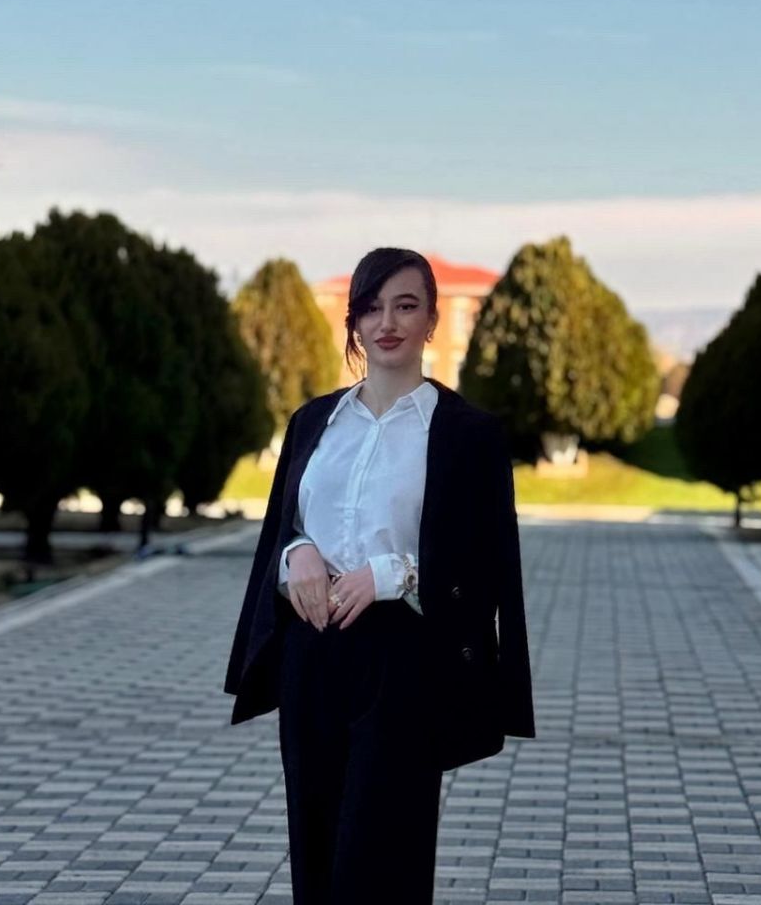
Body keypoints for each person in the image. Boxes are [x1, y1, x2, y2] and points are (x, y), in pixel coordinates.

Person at [224, 247, 534, 905]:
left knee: (382, 859)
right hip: (311, 654)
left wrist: (391, 575)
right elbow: (285, 527)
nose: (386, 322)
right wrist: (296, 554)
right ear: (355, 322)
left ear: (432, 320)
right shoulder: (314, 422)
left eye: (405, 306)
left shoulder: (468, 434)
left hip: (405, 660)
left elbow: (486, 566)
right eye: (371, 308)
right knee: (316, 854)